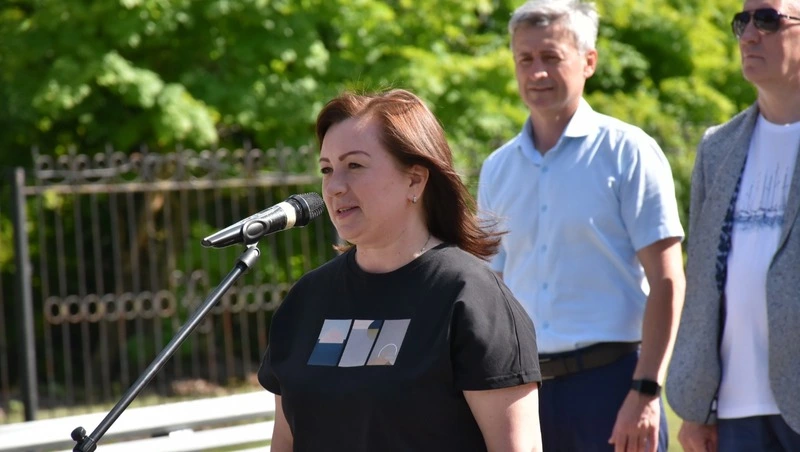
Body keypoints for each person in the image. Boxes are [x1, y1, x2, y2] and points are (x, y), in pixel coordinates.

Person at [257, 88, 543, 452]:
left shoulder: (469, 296)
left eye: (354, 166)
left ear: (415, 180)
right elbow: (286, 441)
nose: (334, 187)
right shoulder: (306, 301)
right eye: (327, 169)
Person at [476, 1, 686, 450]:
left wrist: (646, 391)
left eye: (551, 57)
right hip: (525, 392)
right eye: (525, 59)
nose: (536, 72)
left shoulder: (629, 152)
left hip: (614, 388)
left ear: (589, 61)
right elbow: (492, 293)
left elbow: (668, 279)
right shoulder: (497, 169)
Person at [665, 0, 800, 450]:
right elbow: (704, 281)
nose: (749, 35)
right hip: (735, 407)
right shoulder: (717, 148)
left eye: (768, 20)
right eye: (743, 21)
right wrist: (699, 405)